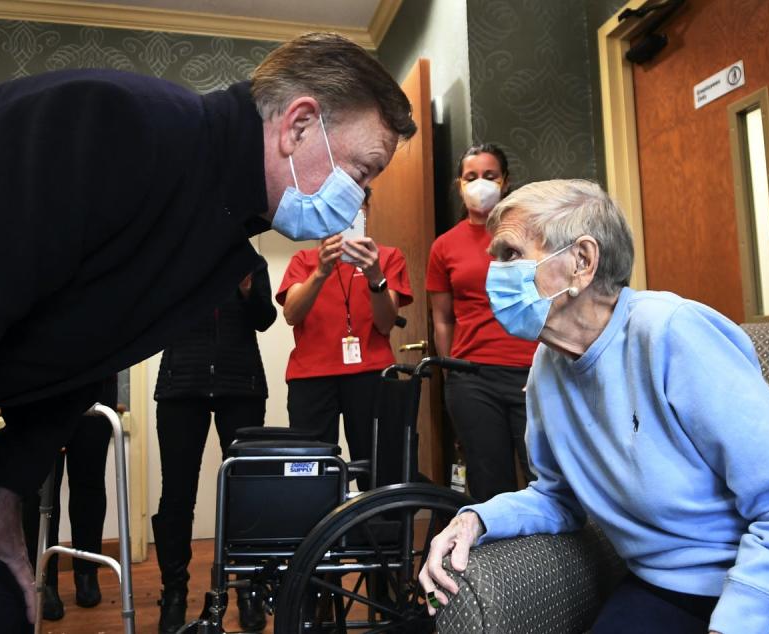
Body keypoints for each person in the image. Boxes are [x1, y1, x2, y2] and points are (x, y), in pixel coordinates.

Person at [0, 31, 415, 634]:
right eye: (362, 172)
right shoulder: (119, 126)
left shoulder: (218, 232)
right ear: (299, 125)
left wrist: (4, 496)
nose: (359, 198)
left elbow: (78, 354)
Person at [419, 180, 769, 634]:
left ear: (581, 261)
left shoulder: (672, 333)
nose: (493, 274)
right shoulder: (548, 364)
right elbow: (558, 497)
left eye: (511, 255)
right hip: (673, 587)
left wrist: (739, 619)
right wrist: (478, 517)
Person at [152, 260, 276, 634]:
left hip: (241, 385)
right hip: (181, 385)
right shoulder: (176, 253)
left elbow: (265, 318)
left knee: (246, 494)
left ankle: (248, 591)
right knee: (176, 494)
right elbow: (154, 317)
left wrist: (246, 291)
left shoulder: (251, 262)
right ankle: (174, 592)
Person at [426, 143, 537, 502]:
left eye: (490, 176)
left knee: (544, 475)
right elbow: (442, 319)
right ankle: (501, 559)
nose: (480, 184)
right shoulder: (444, 246)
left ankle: (553, 558)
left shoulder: (533, 235)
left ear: (505, 182)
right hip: (472, 378)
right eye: (471, 177)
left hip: (532, 373)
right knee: (489, 483)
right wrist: (451, 373)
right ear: (459, 184)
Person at [277, 196, 412, 490]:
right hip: (310, 376)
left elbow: (385, 323)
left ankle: (382, 534)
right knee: (310, 468)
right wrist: (321, 272)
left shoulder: (387, 257)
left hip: (371, 374)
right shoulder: (304, 261)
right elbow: (291, 313)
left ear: (366, 212)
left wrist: (375, 275)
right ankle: (316, 533)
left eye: (353, 209)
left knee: (378, 466)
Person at [20, 376, 117, 621]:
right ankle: (45, 580)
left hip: (97, 378)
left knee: (90, 482)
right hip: (45, 381)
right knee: (42, 490)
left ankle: (87, 573)